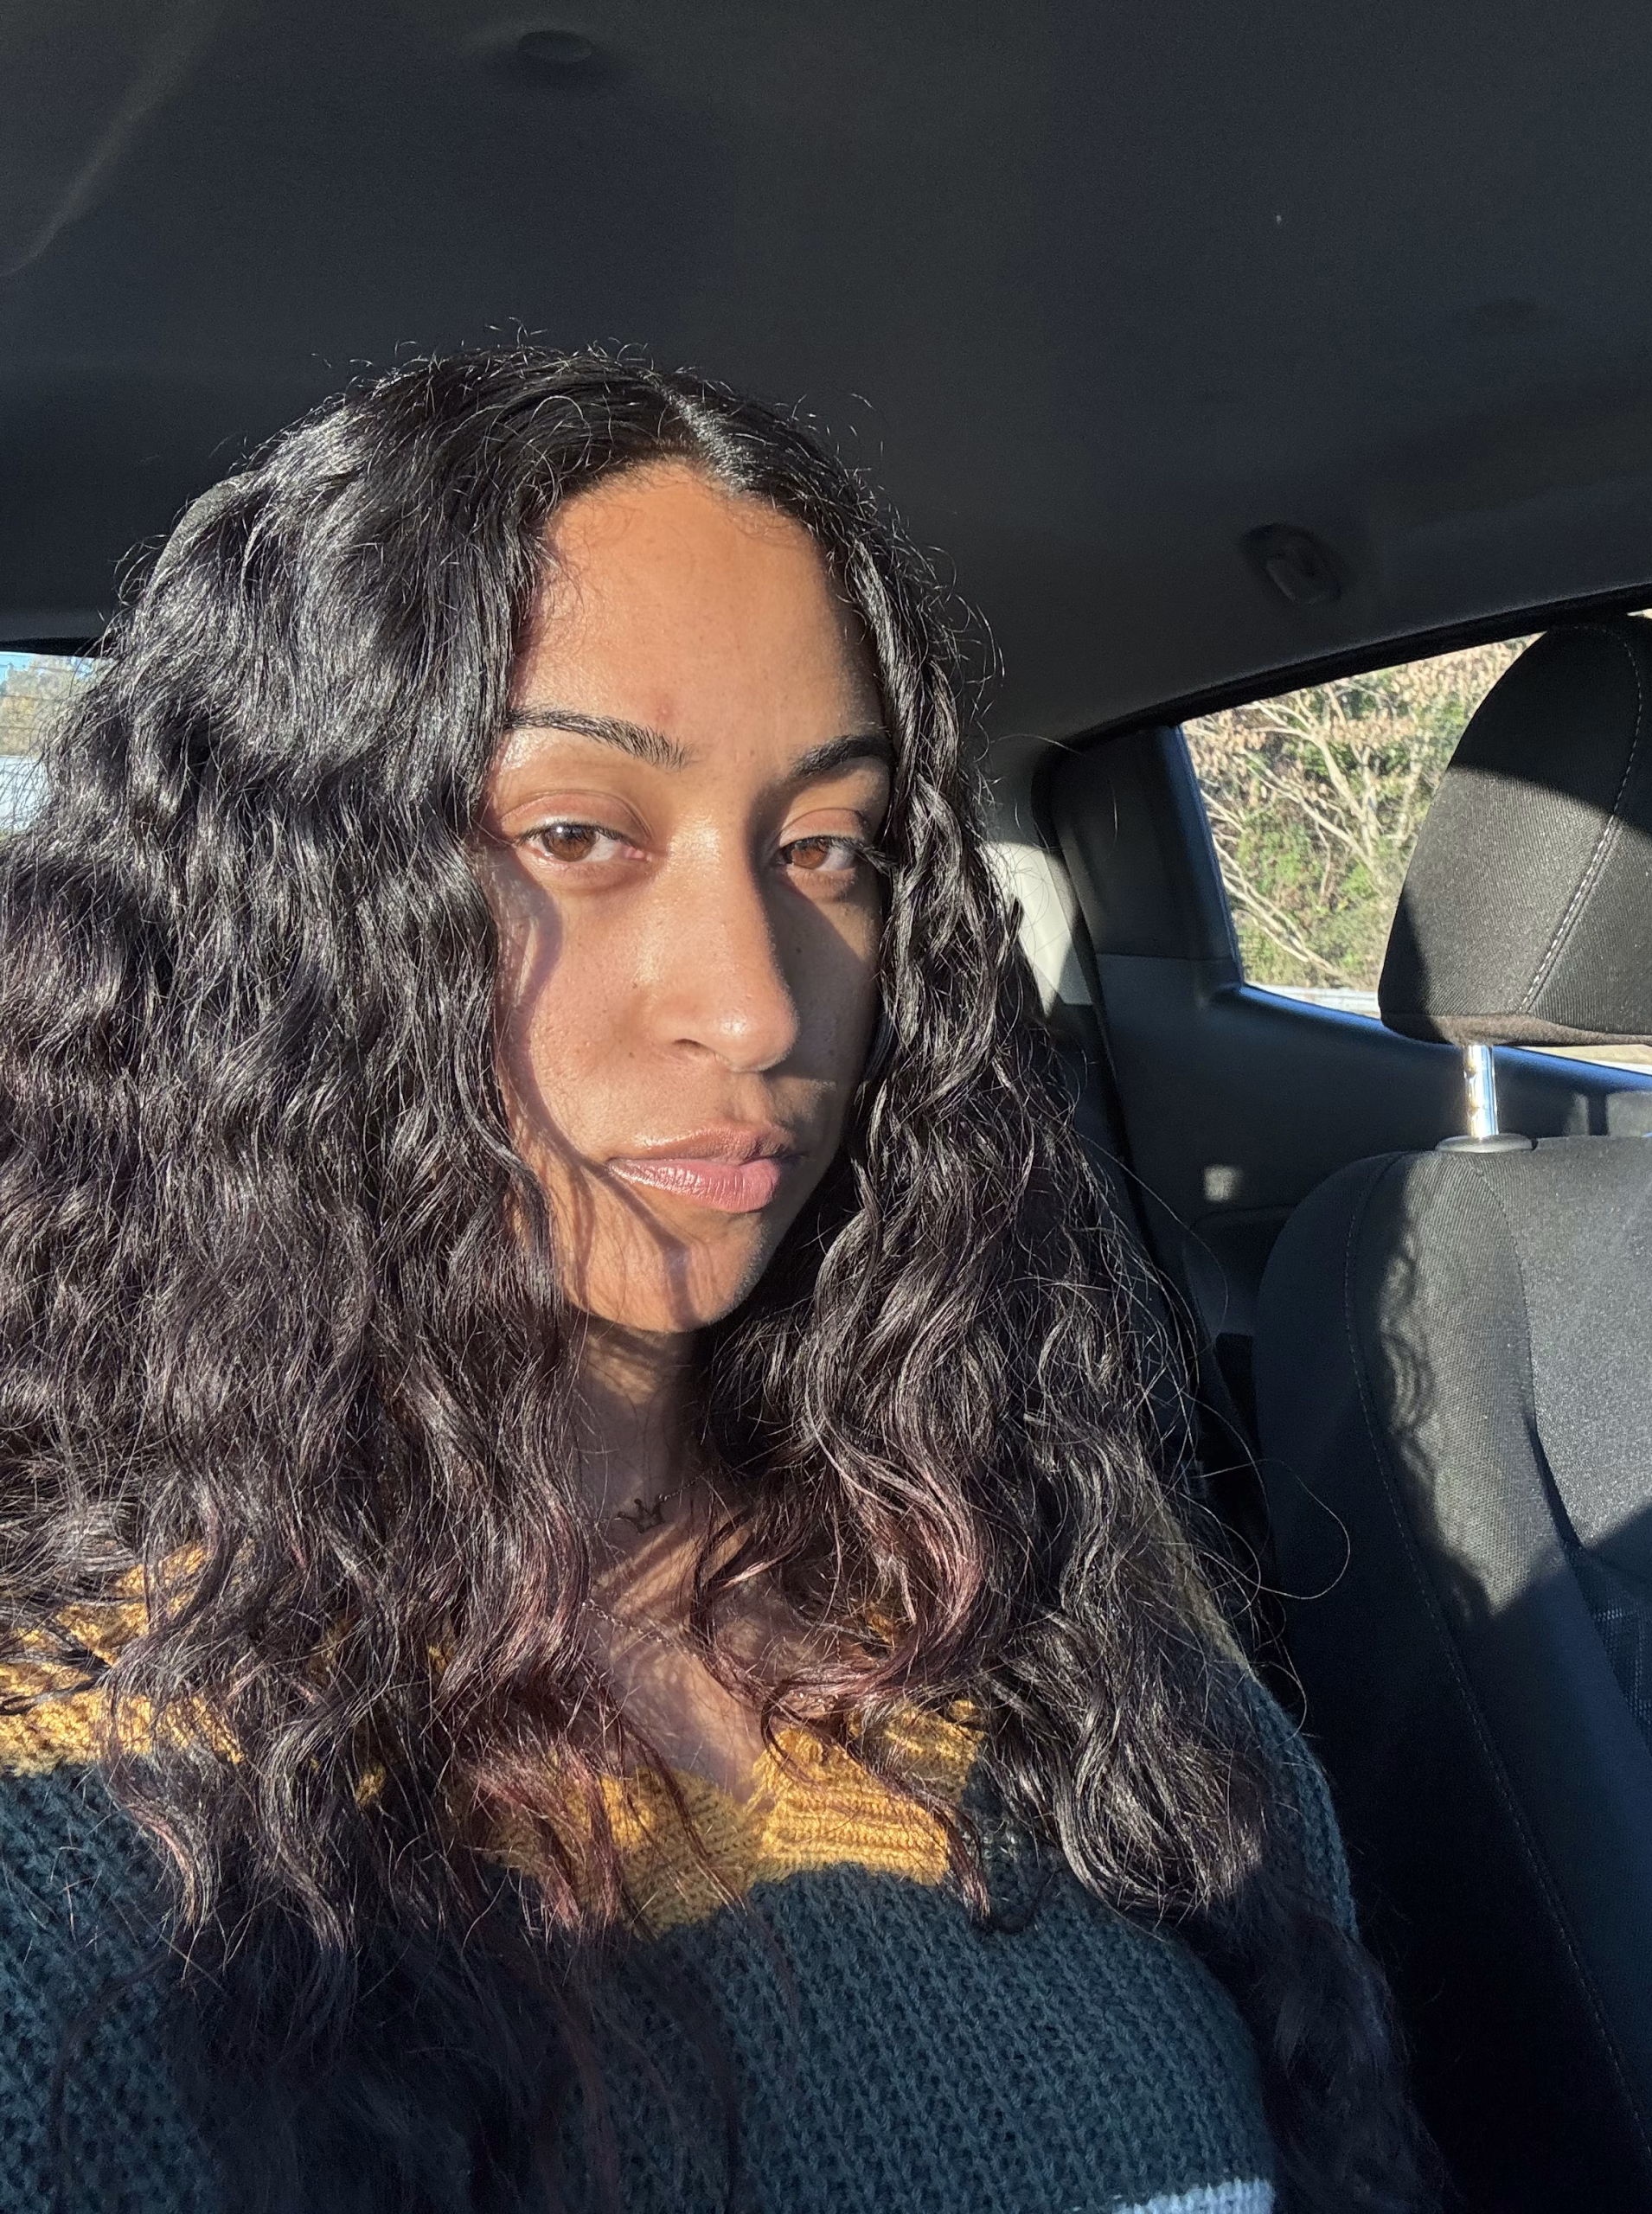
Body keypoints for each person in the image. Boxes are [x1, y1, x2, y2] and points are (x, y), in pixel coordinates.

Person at [0, 352, 1425, 2213]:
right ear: (272, 915)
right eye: (574, 836)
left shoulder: (1060, 1608)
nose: (758, 1007)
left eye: (829, 849)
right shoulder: (75, 1838)